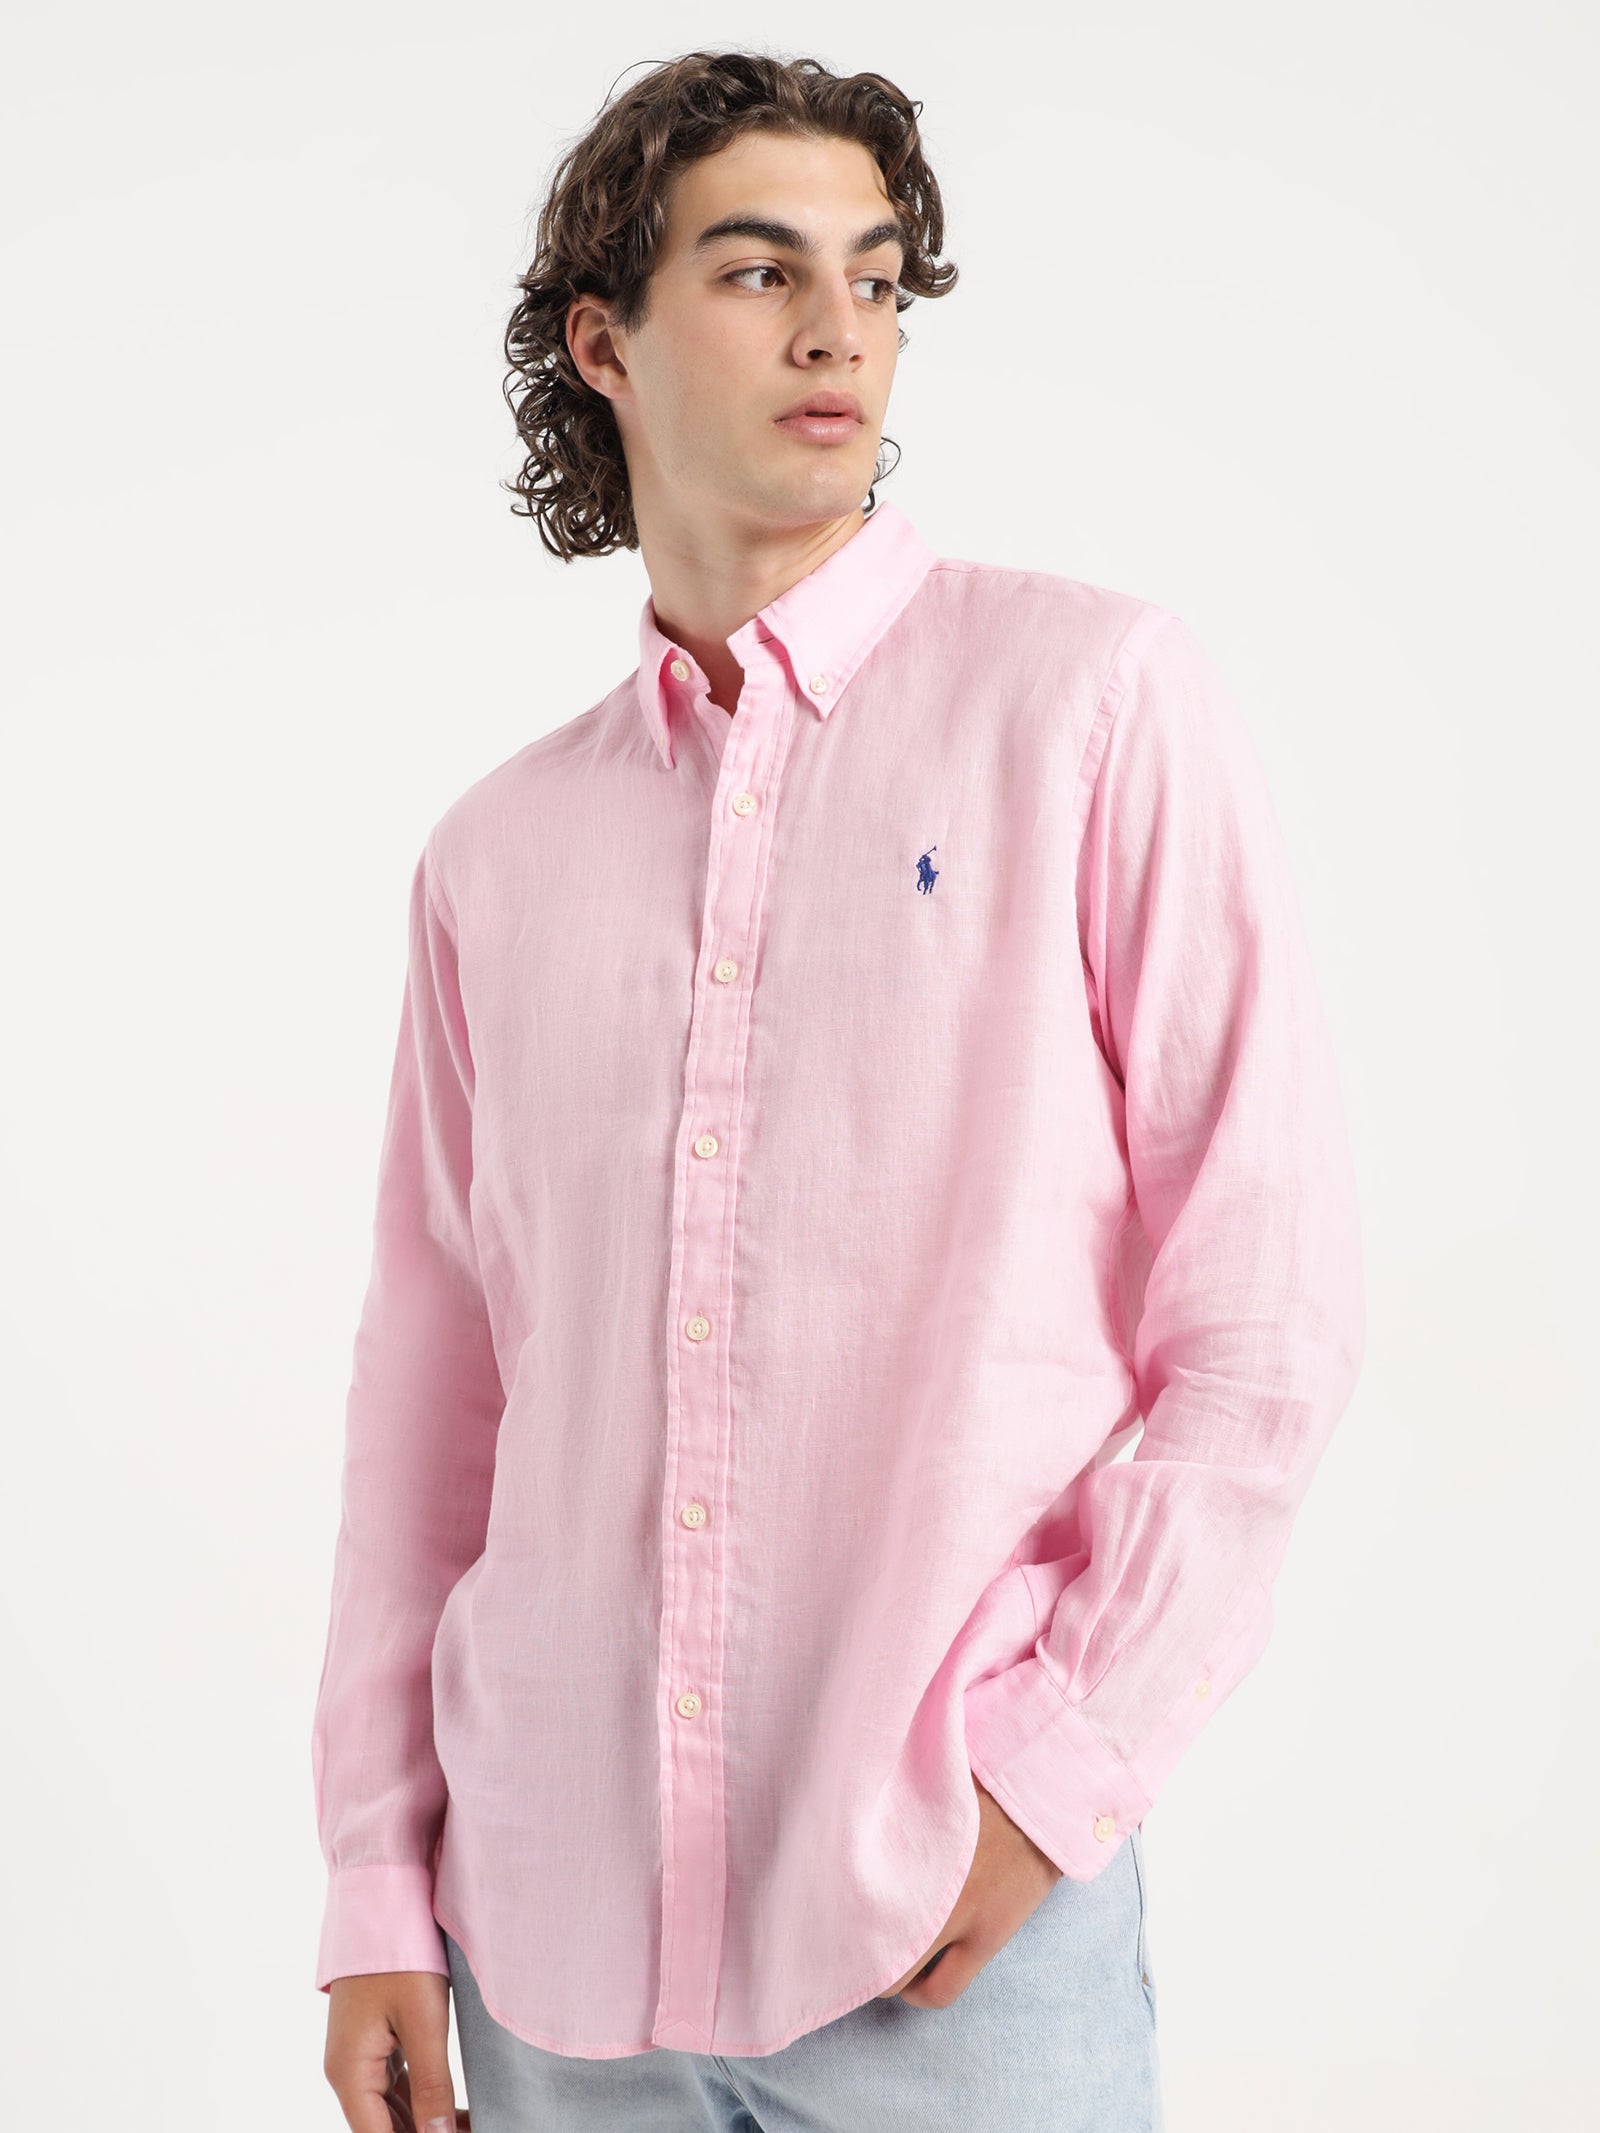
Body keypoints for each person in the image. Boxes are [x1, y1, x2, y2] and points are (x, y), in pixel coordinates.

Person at [312, 47, 1365, 2133]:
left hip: (945, 1935)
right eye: (758, 269)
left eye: (875, 278)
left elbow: (1266, 1311)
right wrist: (373, 1883)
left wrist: (1061, 1763)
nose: (836, 329)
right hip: (549, 1954)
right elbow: (432, 1409)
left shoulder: (1087, 703)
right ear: (601, 342)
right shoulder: (496, 856)